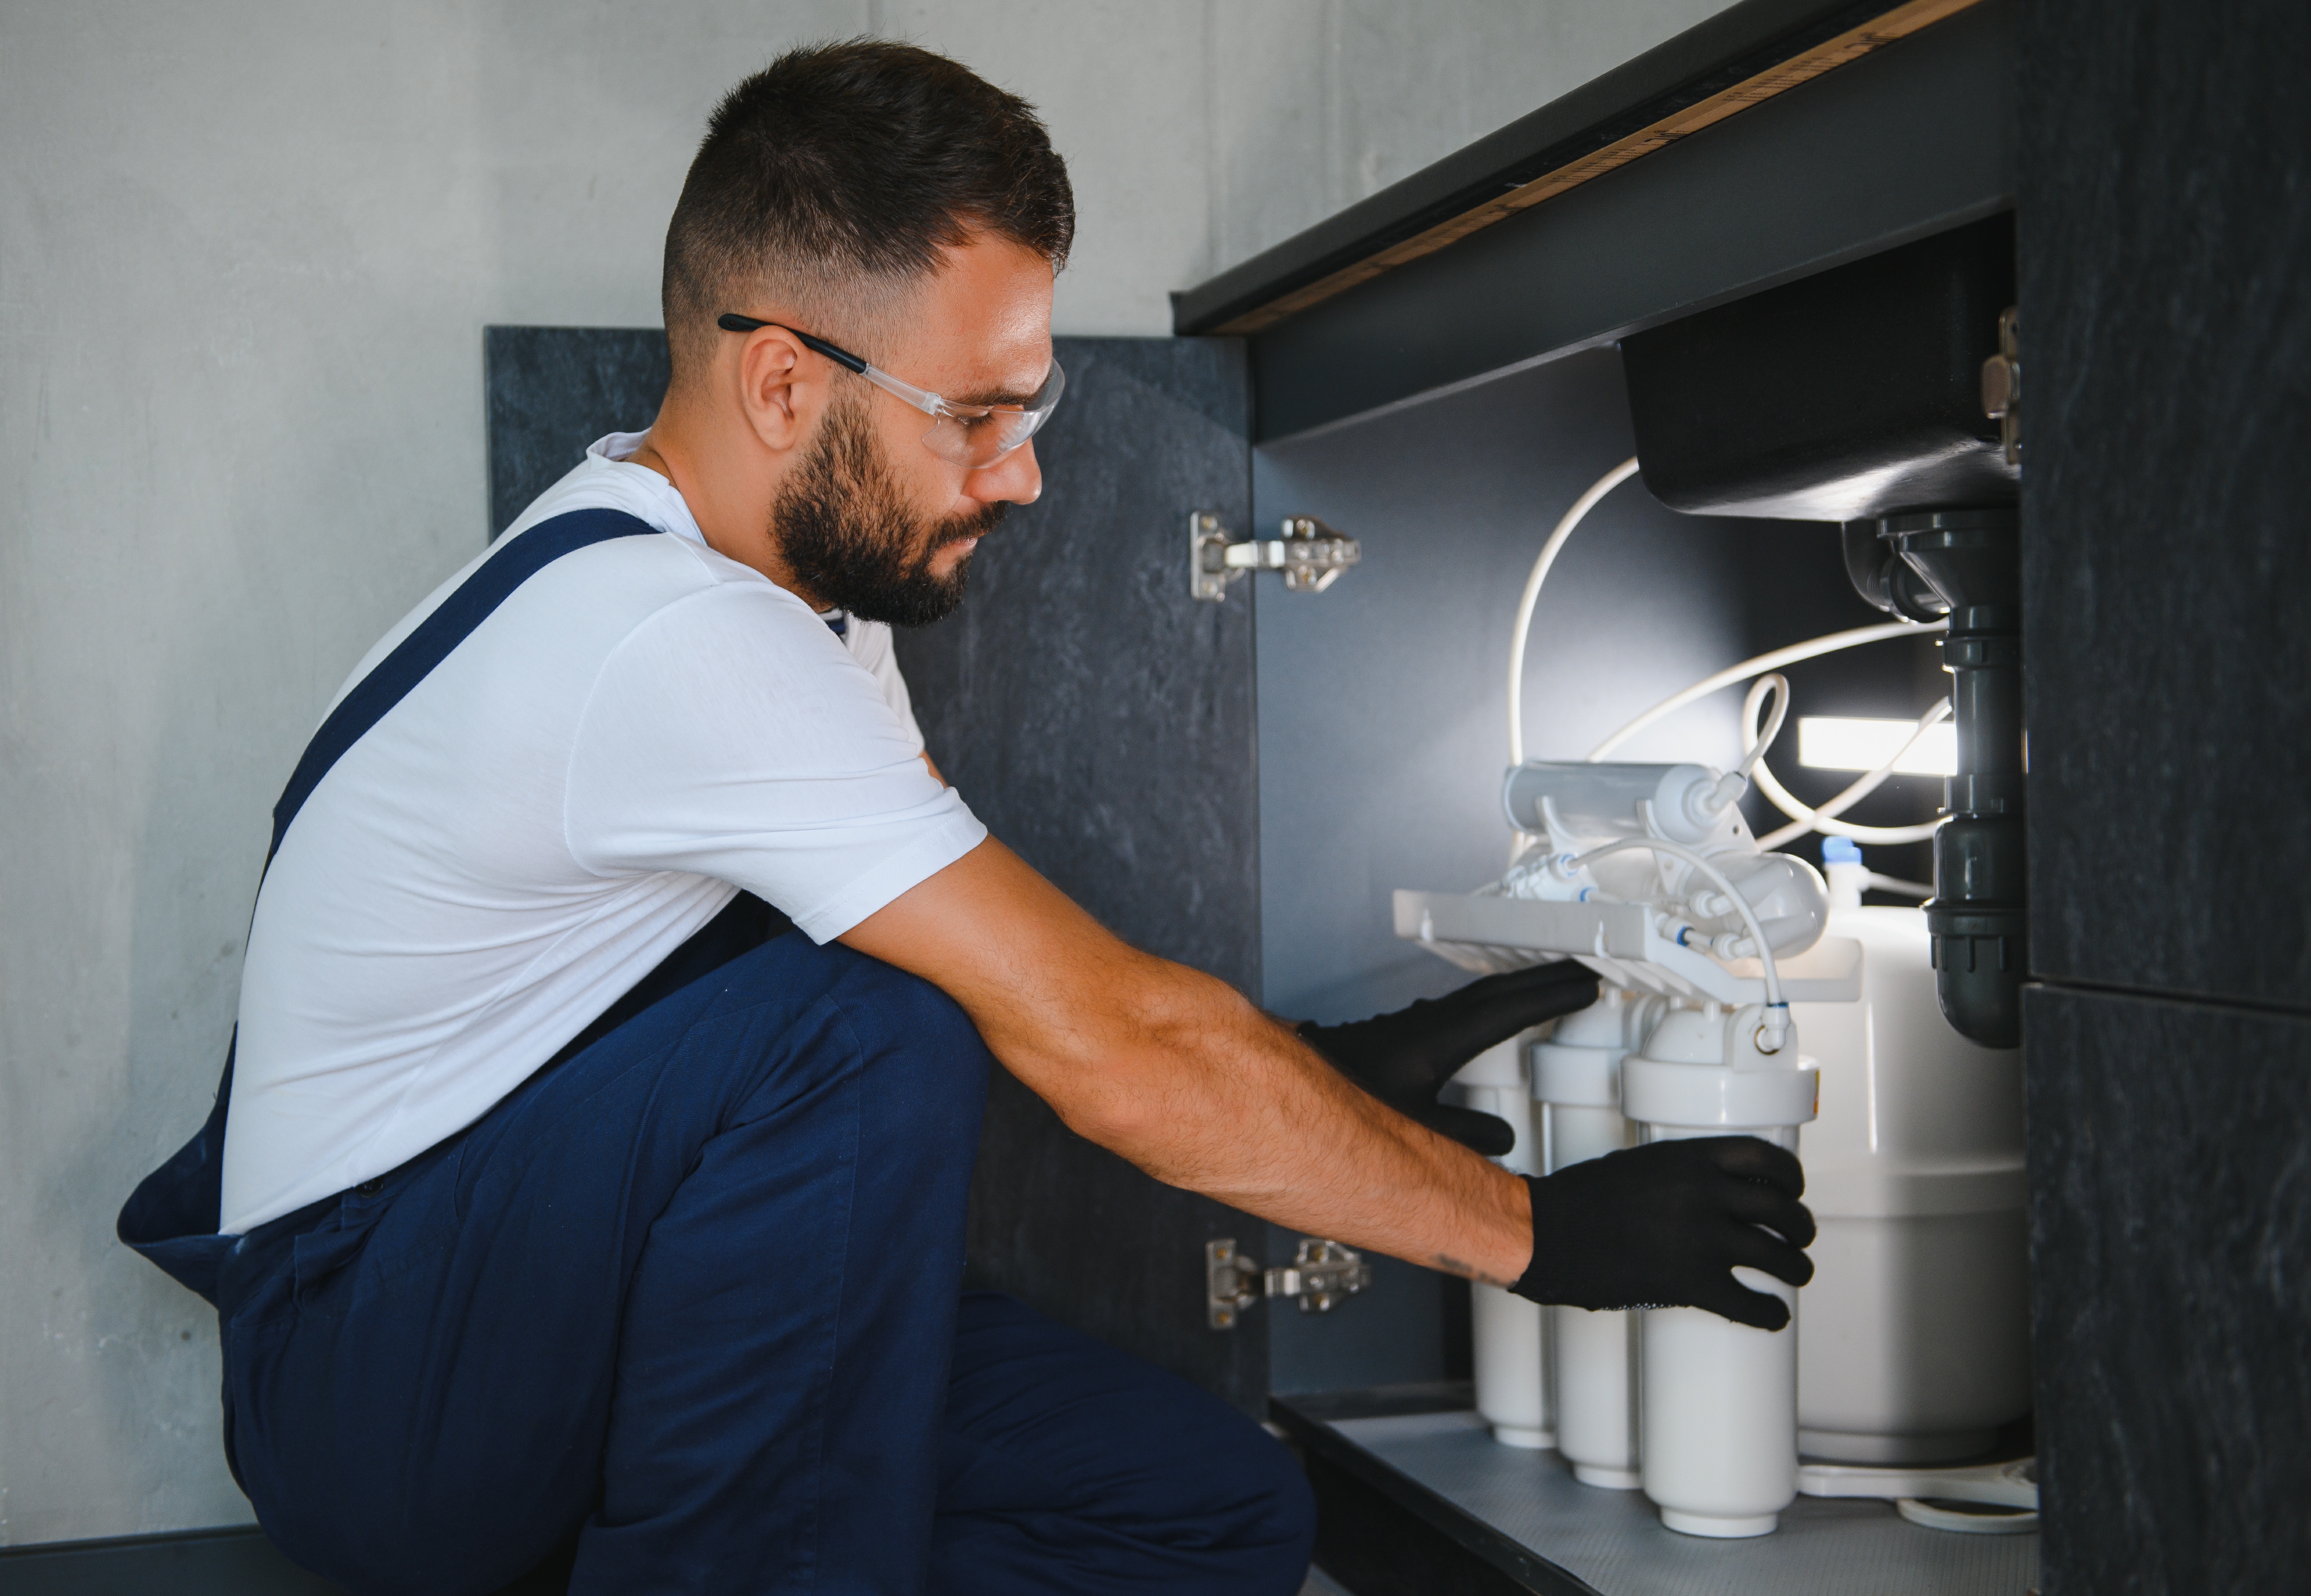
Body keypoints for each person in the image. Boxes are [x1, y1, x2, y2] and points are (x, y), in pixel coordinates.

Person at [117, 39, 1816, 1596]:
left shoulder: (800, 613)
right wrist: (1541, 1240)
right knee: (859, 1035)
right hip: (380, 1392)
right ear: (783, 384)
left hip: (570, 1303)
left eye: (1036, 406)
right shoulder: (668, 639)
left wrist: (1322, 1077)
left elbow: (1036, 985)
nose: (1023, 474)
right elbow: (1103, 1041)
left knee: (1211, 1510)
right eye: (978, 416)